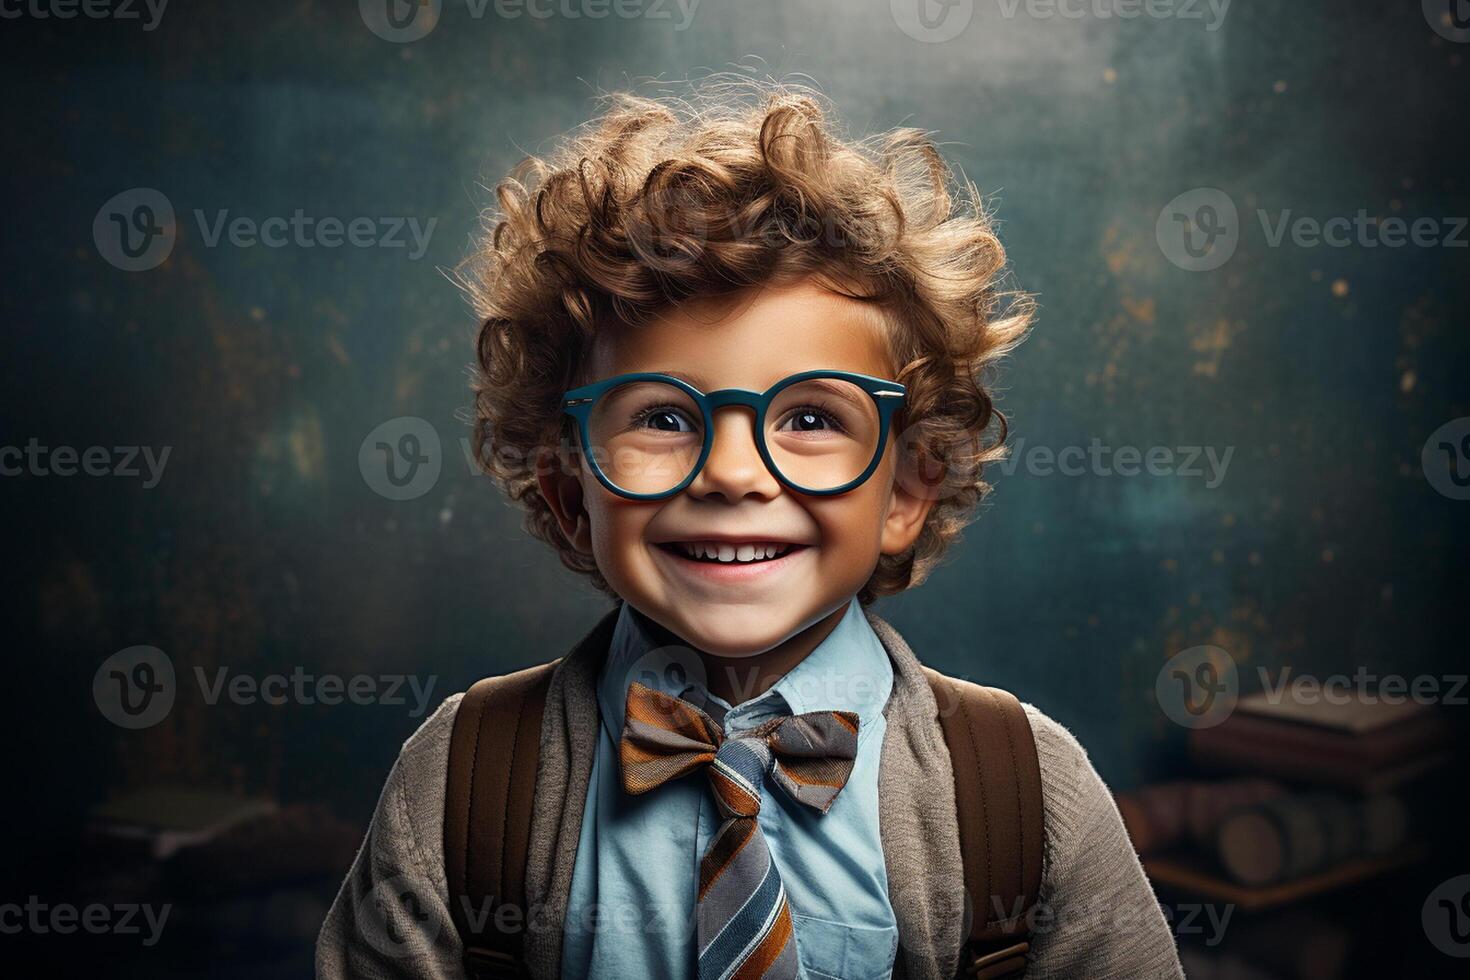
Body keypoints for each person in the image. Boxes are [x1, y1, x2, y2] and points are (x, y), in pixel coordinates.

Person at [317, 79, 1184, 980]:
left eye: (812, 418)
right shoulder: (461, 782)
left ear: (906, 492)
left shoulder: (1024, 792)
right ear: (571, 490)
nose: (733, 475)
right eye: (660, 417)